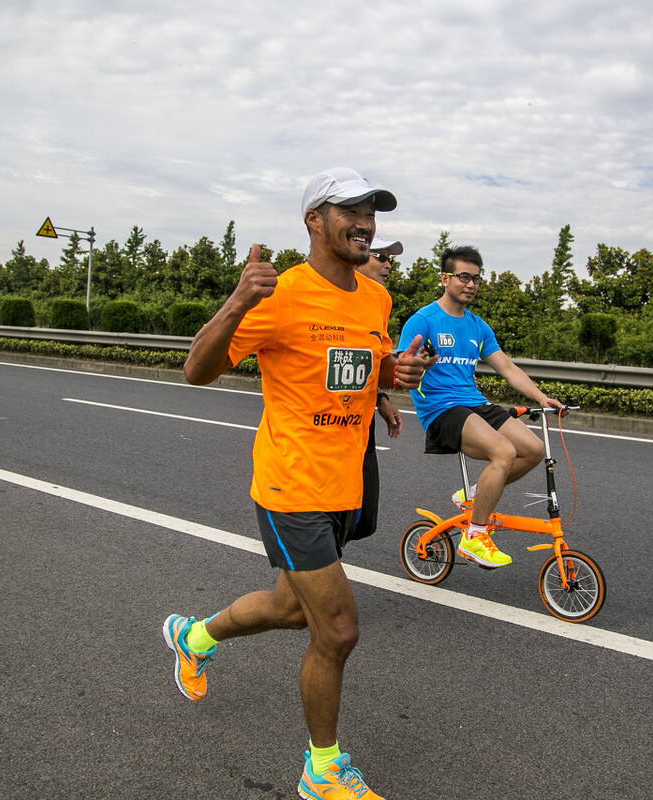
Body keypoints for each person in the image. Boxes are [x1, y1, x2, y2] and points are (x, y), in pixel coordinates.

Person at [164, 168, 429, 800]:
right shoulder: (280, 295)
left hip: (345, 486)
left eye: (371, 212)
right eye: (351, 211)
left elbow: (365, 364)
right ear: (314, 220)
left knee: (288, 608)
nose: (365, 223)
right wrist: (235, 303)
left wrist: (395, 376)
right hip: (290, 488)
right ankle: (322, 771)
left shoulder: (374, 298)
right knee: (336, 631)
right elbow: (195, 372)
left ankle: (192, 636)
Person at [398, 244, 563, 568]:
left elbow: (508, 368)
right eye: (463, 277)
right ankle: (474, 534)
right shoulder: (424, 320)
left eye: (476, 278)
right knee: (504, 452)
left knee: (533, 449)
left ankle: (472, 494)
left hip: (474, 402)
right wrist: (414, 363)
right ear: (445, 279)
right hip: (441, 409)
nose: (471, 284)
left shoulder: (477, 326)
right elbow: (403, 366)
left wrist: (541, 398)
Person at [351, 236, 404, 541]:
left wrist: (381, 399)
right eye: (380, 257)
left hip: (361, 427)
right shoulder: (313, 295)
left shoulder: (379, 300)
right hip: (316, 439)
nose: (387, 265)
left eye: (390, 260)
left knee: (360, 522)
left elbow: (372, 361)